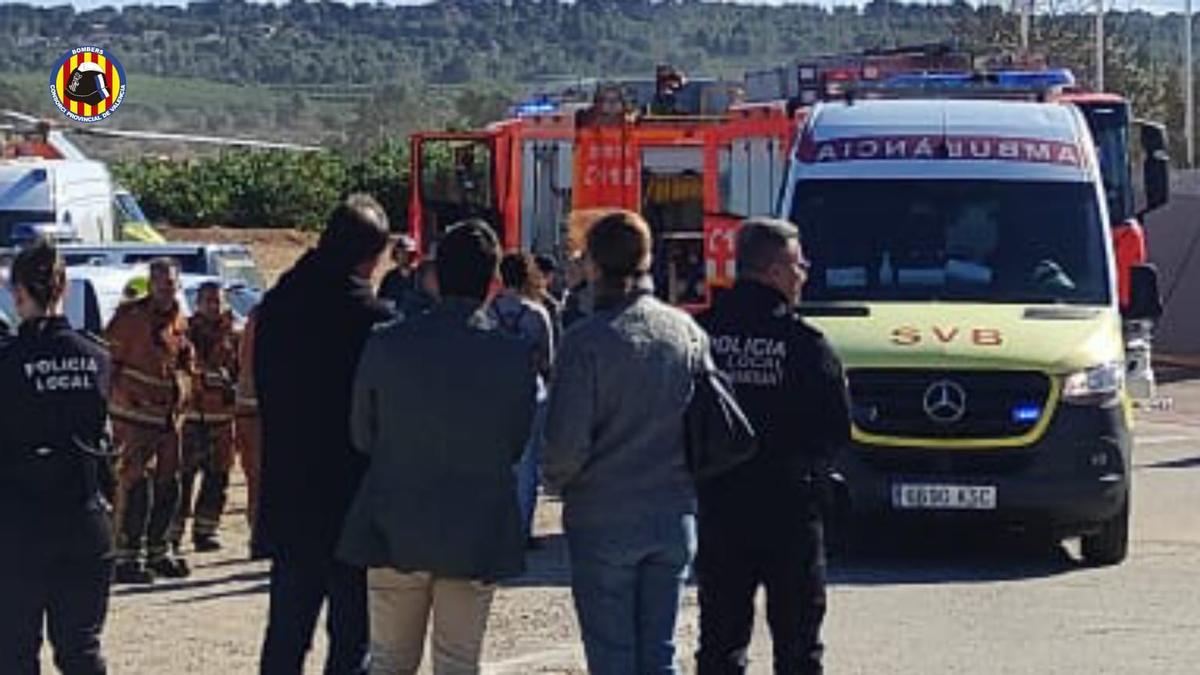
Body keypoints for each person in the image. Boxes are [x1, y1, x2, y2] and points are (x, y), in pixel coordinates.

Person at [339, 220, 536, 675]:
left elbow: (362, 435)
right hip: (475, 527)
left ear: (434, 275)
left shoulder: (387, 344)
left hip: (394, 522)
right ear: (493, 282)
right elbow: (515, 444)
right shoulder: (512, 355)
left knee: (388, 661)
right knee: (458, 662)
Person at [542, 210, 707, 674]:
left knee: (612, 656)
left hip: (602, 516)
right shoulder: (687, 333)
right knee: (660, 651)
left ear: (593, 266)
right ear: (648, 258)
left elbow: (565, 445)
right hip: (672, 511)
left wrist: (557, 481)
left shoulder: (584, 343)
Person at [695, 218, 851, 675]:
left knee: (720, 643)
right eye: (799, 264)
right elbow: (836, 430)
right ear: (776, 270)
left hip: (719, 506)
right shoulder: (806, 344)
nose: (804, 274)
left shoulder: (701, 335)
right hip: (789, 510)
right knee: (798, 647)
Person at [255, 194, 394, 675]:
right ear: (369, 257)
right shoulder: (376, 323)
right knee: (351, 637)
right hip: (353, 498)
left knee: (286, 633)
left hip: (290, 491)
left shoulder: (278, 307)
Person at [0, 239, 114, 674]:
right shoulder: (97, 356)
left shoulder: (8, 361)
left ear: (18, 293)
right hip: (86, 520)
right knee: (81, 651)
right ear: (63, 287)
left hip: (20, 527)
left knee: (13, 654)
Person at [106, 257, 196, 583]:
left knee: (168, 484)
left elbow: (183, 361)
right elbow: (109, 365)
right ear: (151, 283)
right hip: (133, 419)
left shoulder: (178, 320)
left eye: (171, 283)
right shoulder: (130, 319)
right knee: (134, 485)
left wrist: (185, 387)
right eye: (160, 283)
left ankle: (159, 551)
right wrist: (124, 400)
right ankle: (127, 556)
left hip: (168, 420)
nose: (166, 289)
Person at [488, 252, 554, 544]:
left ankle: (497, 528)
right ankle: (522, 531)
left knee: (497, 464)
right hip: (530, 392)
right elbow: (549, 359)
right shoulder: (537, 313)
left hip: (495, 393)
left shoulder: (490, 312)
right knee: (528, 467)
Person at [170, 281, 239, 553]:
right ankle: (172, 533)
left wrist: (228, 384)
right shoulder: (184, 333)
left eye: (218, 301)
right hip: (190, 419)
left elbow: (242, 373)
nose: (214, 306)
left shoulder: (234, 336)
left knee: (217, 479)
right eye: (208, 301)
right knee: (182, 478)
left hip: (221, 420)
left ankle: (205, 531)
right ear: (197, 303)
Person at [235, 306, 262, 554]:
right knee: (257, 477)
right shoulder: (259, 318)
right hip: (253, 410)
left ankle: (260, 534)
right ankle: (258, 534)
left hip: (255, 408)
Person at [377, 234, 425, 317]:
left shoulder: (421, 277)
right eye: (400, 253)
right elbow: (381, 300)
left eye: (406, 253)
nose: (403, 256)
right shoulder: (390, 277)